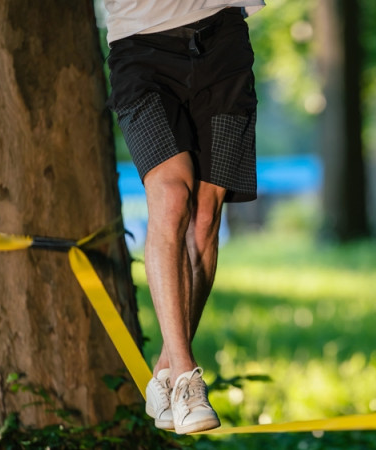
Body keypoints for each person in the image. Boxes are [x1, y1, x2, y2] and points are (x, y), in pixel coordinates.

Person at [103, 0, 264, 434]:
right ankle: (187, 377)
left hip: (224, 39)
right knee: (172, 197)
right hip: (139, 48)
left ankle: (167, 372)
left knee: (205, 218)